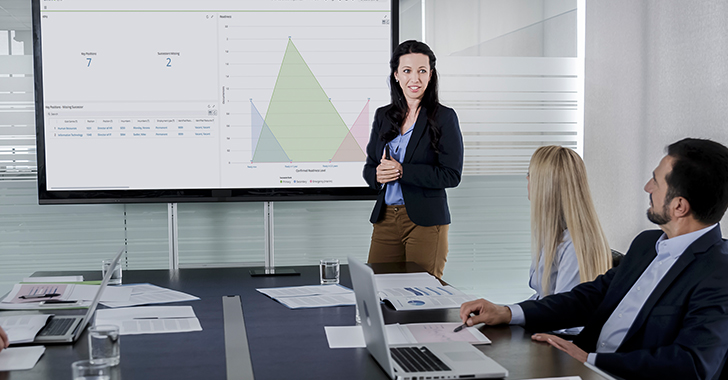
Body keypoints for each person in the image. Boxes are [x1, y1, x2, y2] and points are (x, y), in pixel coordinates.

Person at [460, 138, 728, 380]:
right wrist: (508, 312)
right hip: (581, 365)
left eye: (655, 181)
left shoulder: (718, 273)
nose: (647, 187)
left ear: (679, 206)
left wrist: (591, 360)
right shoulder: (646, 244)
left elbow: (693, 364)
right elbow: (590, 297)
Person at [362, 40, 463, 279]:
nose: (414, 79)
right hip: (385, 219)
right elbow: (369, 167)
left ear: (431, 75)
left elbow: (451, 174)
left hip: (426, 222)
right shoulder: (383, 116)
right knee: (378, 290)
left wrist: (402, 171)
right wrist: (376, 175)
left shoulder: (444, 118)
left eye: (422, 71)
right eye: (407, 71)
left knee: (422, 296)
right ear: (396, 75)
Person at [526, 146, 611, 303]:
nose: (527, 180)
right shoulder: (554, 237)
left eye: (530, 175)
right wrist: (506, 313)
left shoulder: (574, 246)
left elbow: (564, 316)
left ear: (545, 187)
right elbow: (542, 299)